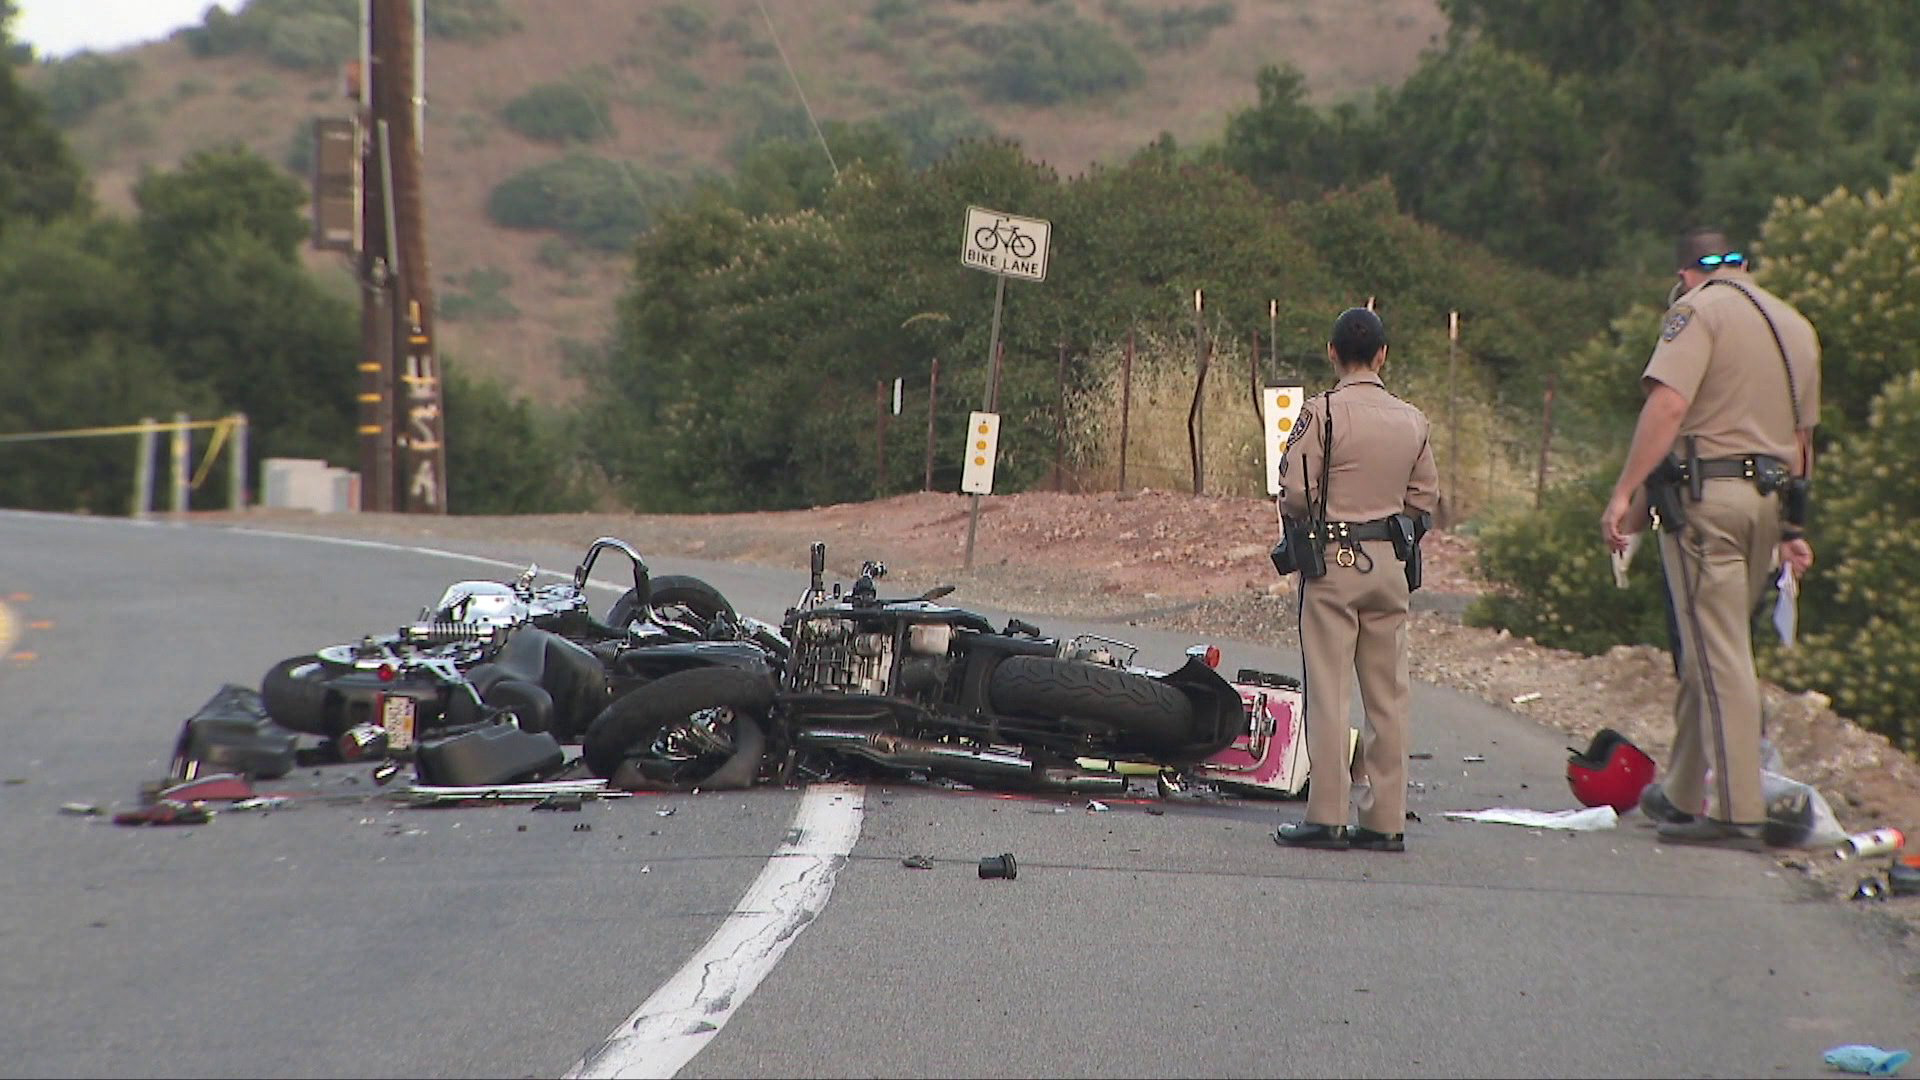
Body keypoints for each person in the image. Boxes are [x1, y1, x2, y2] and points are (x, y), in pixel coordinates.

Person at [1600, 228, 1820, 848]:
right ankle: (1679, 790)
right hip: (1768, 504)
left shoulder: (1695, 312)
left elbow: (1668, 407)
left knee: (1719, 655)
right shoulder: (1794, 325)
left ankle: (1736, 811)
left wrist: (1625, 492)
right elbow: (1803, 442)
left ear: (1685, 273)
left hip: (1708, 503)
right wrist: (1793, 529)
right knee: (1714, 646)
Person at [1273, 307, 1439, 853]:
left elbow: (1296, 491)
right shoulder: (1413, 420)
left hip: (1334, 564)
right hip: (1390, 566)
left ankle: (1327, 814)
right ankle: (1385, 819)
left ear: (1332, 353)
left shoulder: (1320, 412)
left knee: (1329, 690)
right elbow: (1424, 499)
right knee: (1388, 696)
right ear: (1383, 355)